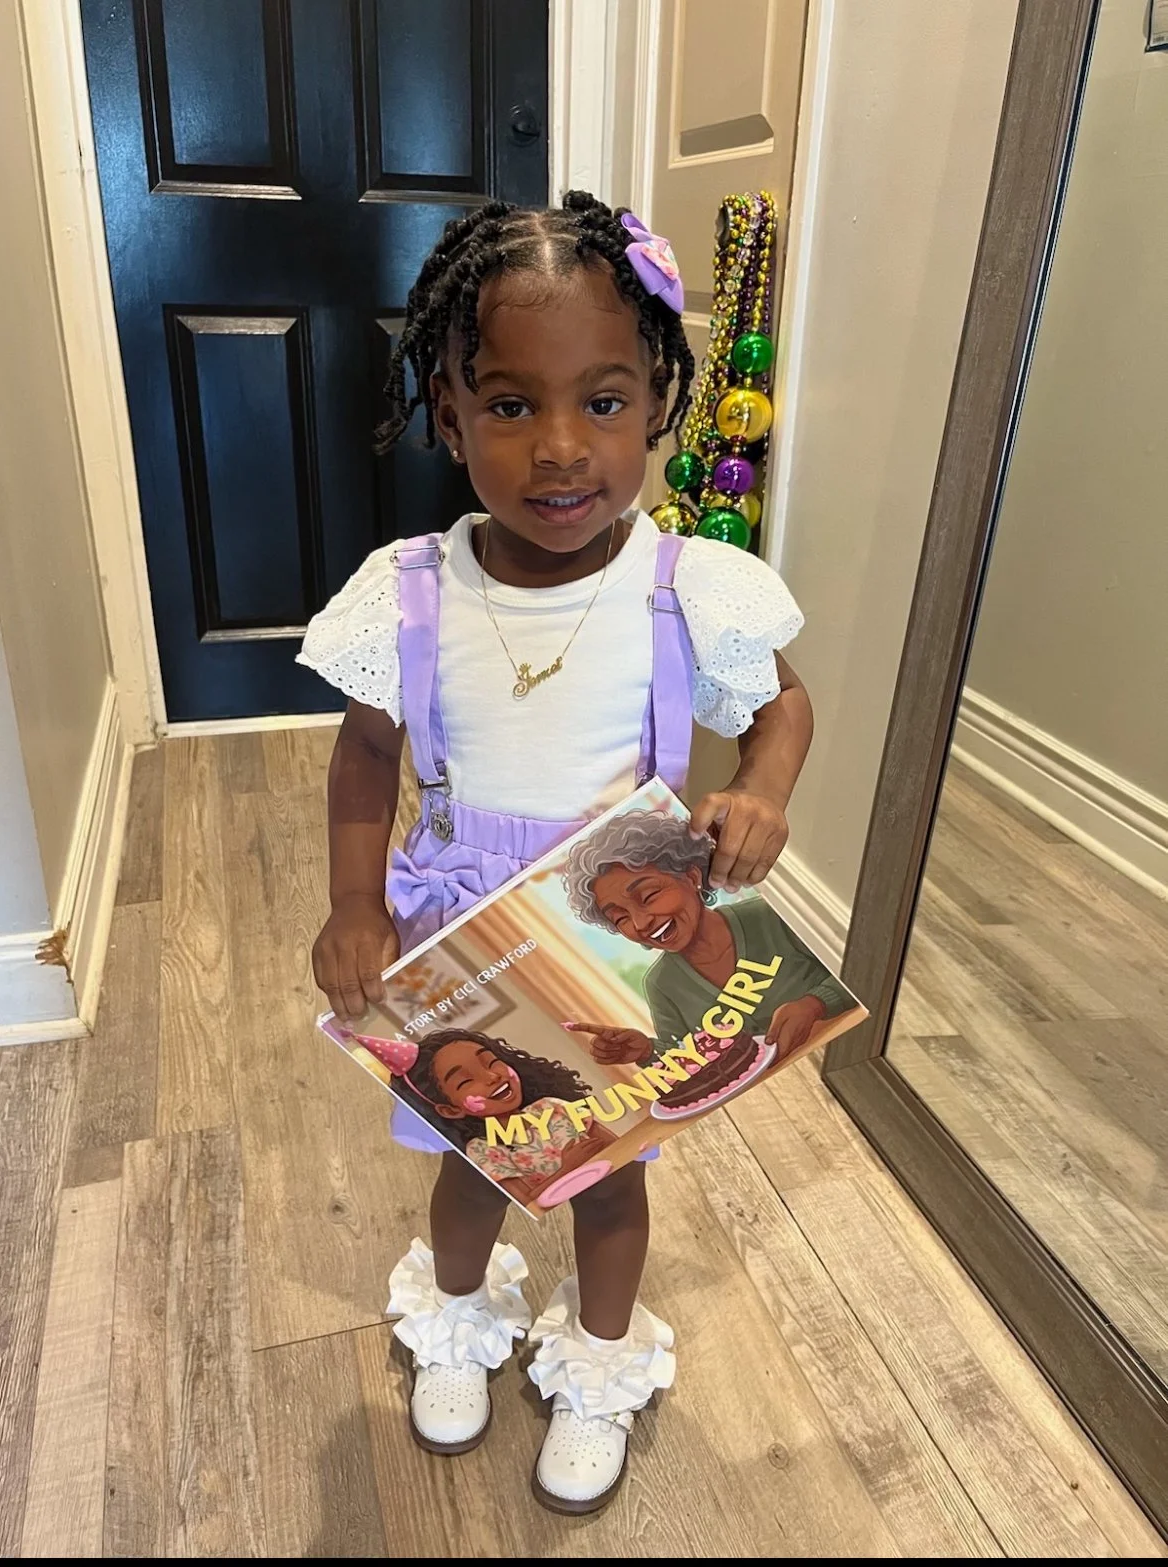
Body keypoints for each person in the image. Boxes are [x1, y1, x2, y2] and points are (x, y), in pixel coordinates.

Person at [299, 191, 813, 1513]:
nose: (561, 448)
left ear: (657, 406)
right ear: (449, 416)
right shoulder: (409, 588)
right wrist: (355, 900)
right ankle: (461, 1317)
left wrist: (760, 786)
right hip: (463, 929)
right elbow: (366, 755)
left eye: (603, 399)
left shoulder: (684, 585)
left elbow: (781, 703)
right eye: (510, 405)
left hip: (609, 937)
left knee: (606, 1174)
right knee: (473, 1162)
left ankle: (595, 1354)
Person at [559, 806, 856, 1066]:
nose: (640, 922)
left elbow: (857, 968)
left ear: (691, 876)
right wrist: (647, 1051)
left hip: (847, 1048)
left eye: (649, 896)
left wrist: (815, 1003)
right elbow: (688, 1058)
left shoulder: (768, 916)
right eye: (620, 917)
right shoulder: (661, 985)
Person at [362, 1027, 614, 1208]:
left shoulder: (550, 1107)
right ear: (450, 1110)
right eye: (467, 1080)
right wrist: (567, 1169)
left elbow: (612, 1142)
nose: (492, 1076)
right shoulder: (483, 1150)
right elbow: (528, 1201)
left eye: (491, 1062)